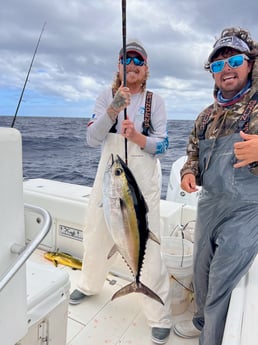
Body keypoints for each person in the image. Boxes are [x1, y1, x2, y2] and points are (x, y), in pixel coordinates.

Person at [69, 40, 173, 344]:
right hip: (109, 179)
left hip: (142, 184)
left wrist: (139, 137)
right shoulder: (105, 97)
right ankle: (89, 284)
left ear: (145, 69)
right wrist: (114, 108)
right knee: (95, 233)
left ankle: (158, 314)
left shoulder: (155, 101)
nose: (132, 64)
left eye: (138, 61)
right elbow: (92, 138)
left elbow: (164, 145)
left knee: (149, 247)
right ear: (118, 66)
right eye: (126, 59)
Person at [173, 27, 258, 345]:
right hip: (210, 204)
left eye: (235, 59)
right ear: (212, 73)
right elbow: (192, 155)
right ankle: (200, 320)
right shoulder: (205, 117)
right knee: (201, 271)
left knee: (222, 278)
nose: (227, 69)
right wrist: (188, 174)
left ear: (249, 63)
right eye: (219, 64)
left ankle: (210, 339)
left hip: (248, 209)